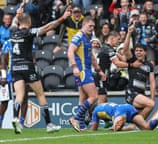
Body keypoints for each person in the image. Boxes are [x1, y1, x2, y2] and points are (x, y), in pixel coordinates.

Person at [1, 4, 71, 134]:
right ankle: (49, 124)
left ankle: (16, 118)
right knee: (40, 94)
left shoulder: (13, 31)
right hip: (27, 66)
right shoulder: (29, 32)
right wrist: (63, 17)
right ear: (28, 22)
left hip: (15, 67)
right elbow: (49, 26)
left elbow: (16, 22)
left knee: (19, 96)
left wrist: (17, 14)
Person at [68, 16, 106, 132]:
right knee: (94, 96)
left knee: (83, 98)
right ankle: (76, 118)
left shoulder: (87, 38)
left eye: (93, 26)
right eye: (90, 26)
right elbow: (70, 51)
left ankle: (82, 126)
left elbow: (92, 57)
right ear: (84, 25)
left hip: (86, 70)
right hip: (83, 70)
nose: (92, 28)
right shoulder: (79, 36)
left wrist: (99, 70)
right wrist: (74, 66)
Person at [91, 102, 158, 131]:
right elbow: (107, 123)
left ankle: (127, 126)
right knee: (146, 128)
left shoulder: (95, 111)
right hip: (127, 107)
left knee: (116, 128)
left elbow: (94, 128)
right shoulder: (102, 106)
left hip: (119, 111)